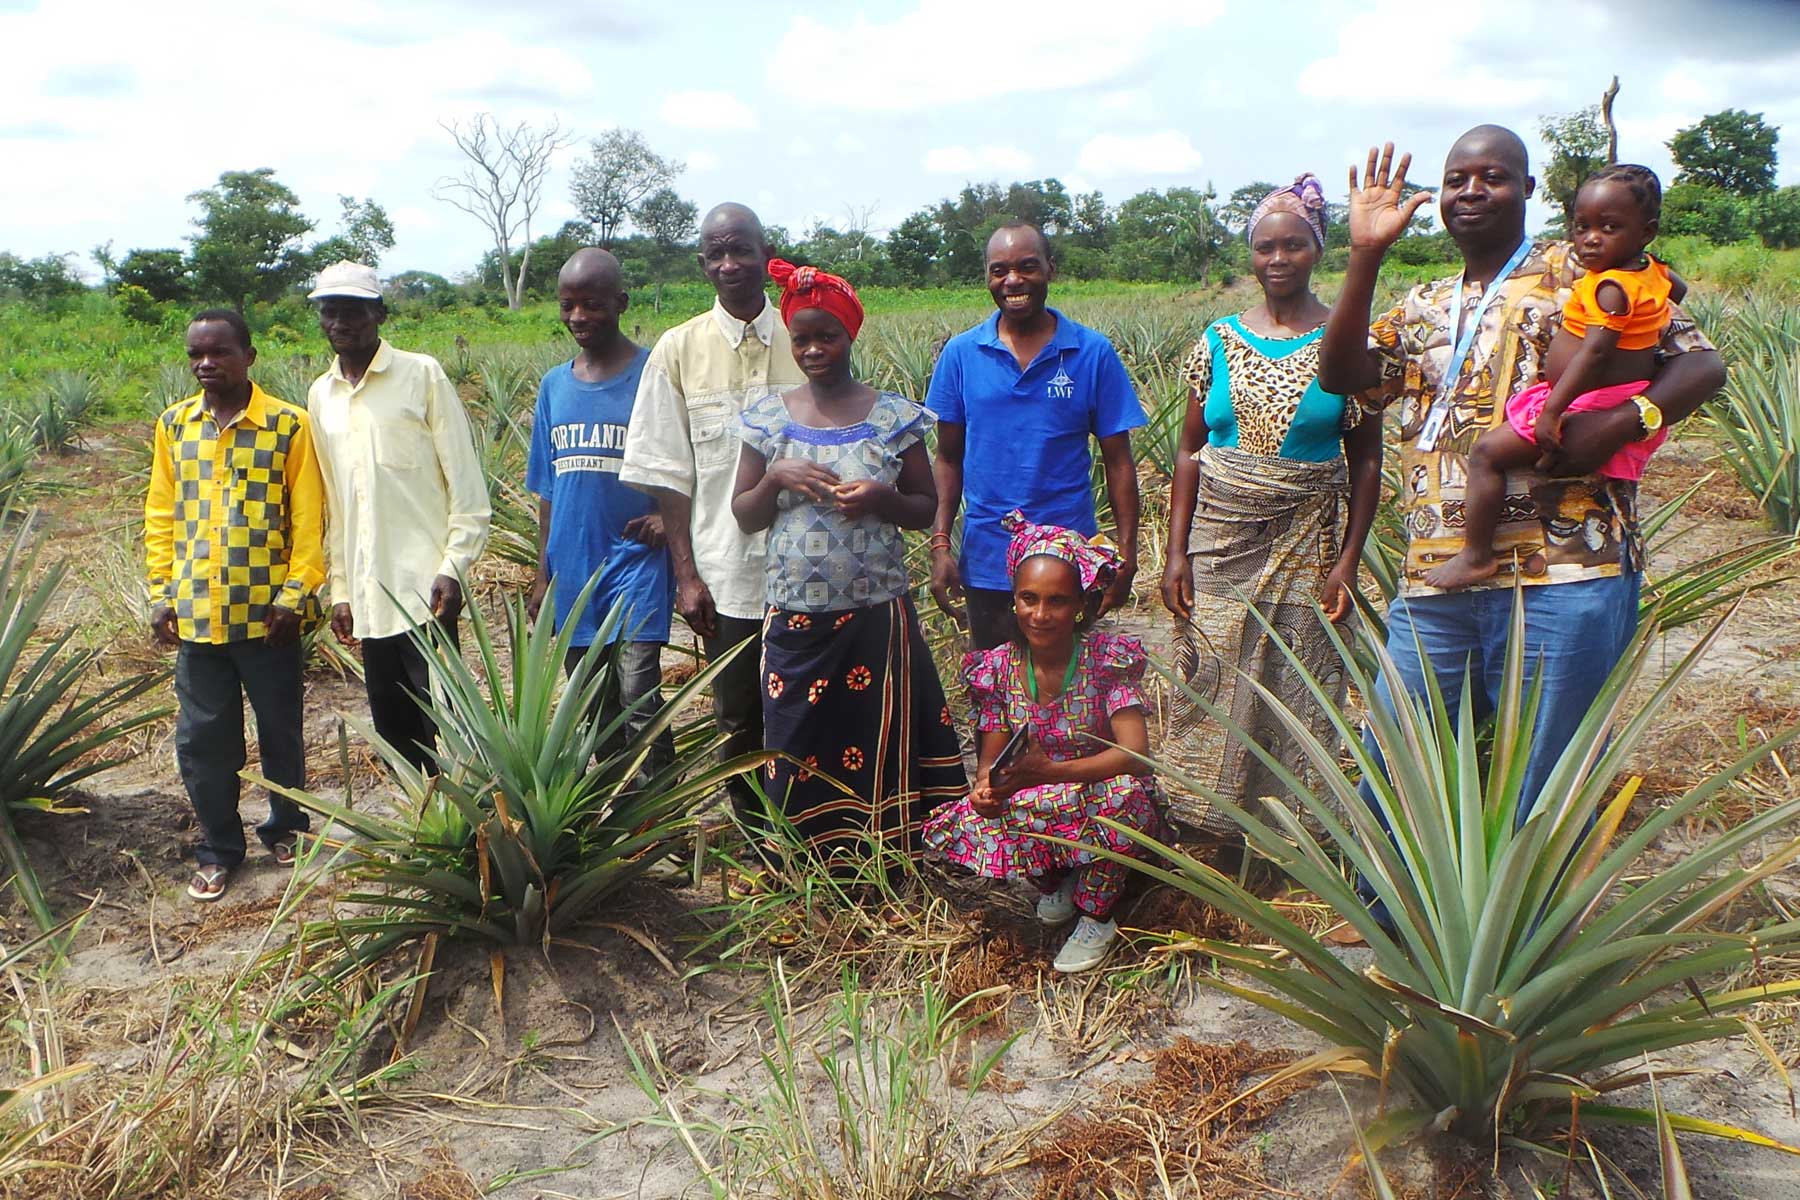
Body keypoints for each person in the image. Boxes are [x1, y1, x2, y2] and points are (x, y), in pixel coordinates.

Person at [1316, 130, 1726, 828]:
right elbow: (1342, 375)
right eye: (1456, 179)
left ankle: (1531, 929)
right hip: (1437, 574)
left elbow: (1701, 364)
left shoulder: (1587, 267)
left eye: (1494, 176)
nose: (1471, 191)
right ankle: (1385, 921)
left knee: (1546, 780)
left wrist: (1630, 417)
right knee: (1399, 762)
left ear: (1529, 190)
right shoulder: (1420, 304)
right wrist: (1365, 255)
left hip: (1570, 572)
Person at [1160, 175, 1382, 841]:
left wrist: (1348, 561)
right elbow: (1189, 451)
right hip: (1220, 542)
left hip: (1307, 543)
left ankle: (1289, 839)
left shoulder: (1347, 344)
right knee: (1212, 677)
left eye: (1293, 245)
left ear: (1318, 249)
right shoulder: (1219, 341)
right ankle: (1205, 826)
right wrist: (1174, 553)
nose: (1277, 259)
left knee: (1298, 683)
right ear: (1250, 255)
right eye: (1264, 247)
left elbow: (1365, 460)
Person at [731, 259, 967, 860]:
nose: (814, 349)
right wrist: (776, 475)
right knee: (795, 734)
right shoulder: (767, 420)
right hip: (797, 617)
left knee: (875, 731)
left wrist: (883, 499)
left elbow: (925, 506)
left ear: (850, 336)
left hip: (875, 616)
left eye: (827, 336)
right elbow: (746, 514)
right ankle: (804, 858)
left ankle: (883, 854)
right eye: (802, 338)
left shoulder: (892, 418)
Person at [619, 205, 805, 821]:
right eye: (716, 254)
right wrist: (687, 575)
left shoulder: (807, 337)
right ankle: (760, 840)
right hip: (726, 572)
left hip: (812, 570)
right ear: (702, 264)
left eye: (741, 250)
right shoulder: (678, 350)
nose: (730, 265)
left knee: (808, 707)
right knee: (737, 715)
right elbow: (670, 477)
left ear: (764, 252)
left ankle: (811, 831)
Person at [924, 513, 1169, 974]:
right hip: (1045, 795)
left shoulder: (1105, 660)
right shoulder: (996, 669)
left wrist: (1048, 773)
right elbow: (991, 760)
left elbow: (1135, 755)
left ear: (1080, 604)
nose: (1041, 614)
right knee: (982, 809)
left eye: (1057, 601)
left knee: (1126, 800)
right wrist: (986, 787)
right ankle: (1058, 878)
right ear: (1013, 601)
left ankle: (1098, 915)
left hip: (1098, 790)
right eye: (1029, 598)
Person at [1424, 165, 1683, 590]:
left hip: (1586, 402)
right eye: (1581, 227)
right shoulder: (1652, 272)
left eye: (1609, 228)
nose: (1590, 239)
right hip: (1615, 394)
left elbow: (1596, 352)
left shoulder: (1610, 286)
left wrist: (1553, 409)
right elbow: (1677, 290)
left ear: (1647, 231)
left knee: (1487, 452)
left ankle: (1475, 555)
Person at [146, 309, 325, 901]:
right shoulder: (174, 425)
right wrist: (160, 592)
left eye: (219, 352)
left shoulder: (287, 426)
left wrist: (295, 595)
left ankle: (288, 828)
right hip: (198, 614)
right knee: (203, 740)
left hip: (268, 616)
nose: (206, 364)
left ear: (249, 355)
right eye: (197, 354)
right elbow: (161, 515)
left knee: (281, 730)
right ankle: (219, 847)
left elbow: (308, 519)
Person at [306, 261, 491, 773]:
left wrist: (454, 567)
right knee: (394, 731)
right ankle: (421, 829)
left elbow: (467, 488)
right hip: (368, 595)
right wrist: (340, 589)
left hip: (426, 590)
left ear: (379, 314)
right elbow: (337, 504)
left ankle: (478, 838)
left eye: (352, 311)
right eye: (329, 311)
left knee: (452, 728)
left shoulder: (421, 374)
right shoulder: (321, 396)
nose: (340, 322)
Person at [926, 223, 1147, 651]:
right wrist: (940, 546)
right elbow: (947, 458)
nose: (1013, 281)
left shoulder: (1092, 352)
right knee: (994, 696)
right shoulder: (961, 355)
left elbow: (1119, 460)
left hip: (1070, 562)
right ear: (988, 278)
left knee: (1069, 693)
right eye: (999, 270)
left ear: (1051, 269)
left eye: (1027, 267)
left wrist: (1127, 555)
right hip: (988, 560)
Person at [526, 248, 673, 777]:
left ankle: (661, 816)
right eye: (568, 305)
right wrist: (543, 575)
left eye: (592, 304)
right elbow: (547, 488)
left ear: (621, 303)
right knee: (591, 705)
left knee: (639, 693)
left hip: (636, 561)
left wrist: (666, 517)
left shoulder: (654, 373)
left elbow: (689, 461)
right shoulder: (554, 386)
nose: (578, 317)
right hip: (572, 568)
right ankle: (618, 817)